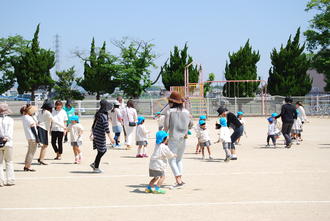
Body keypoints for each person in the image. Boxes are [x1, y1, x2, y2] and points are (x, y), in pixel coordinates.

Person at [164, 91, 192, 186]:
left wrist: (164, 138)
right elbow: (191, 124)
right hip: (183, 138)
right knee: (179, 159)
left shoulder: (169, 112)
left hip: (173, 138)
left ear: (172, 102)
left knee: (171, 159)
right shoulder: (187, 112)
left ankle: (178, 179)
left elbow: (166, 127)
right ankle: (179, 179)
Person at [37, 100, 66, 165]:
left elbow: (37, 119)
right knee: (45, 145)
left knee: (44, 145)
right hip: (43, 129)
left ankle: (40, 158)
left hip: (40, 128)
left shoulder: (41, 111)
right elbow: (54, 121)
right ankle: (41, 159)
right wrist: (63, 127)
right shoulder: (48, 112)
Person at [90, 100, 115, 173]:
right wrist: (111, 138)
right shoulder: (102, 115)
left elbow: (94, 123)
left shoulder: (100, 113)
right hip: (99, 135)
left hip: (97, 133)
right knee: (102, 150)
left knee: (101, 150)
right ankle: (96, 166)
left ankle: (95, 164)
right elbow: (106, 127)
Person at [21, 104, 39, 172]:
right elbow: (32, 128)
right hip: (32, 137)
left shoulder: (24, 117)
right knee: (31, 152)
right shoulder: (28, 117)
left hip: (29, 136)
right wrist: (37, 137)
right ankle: (27, 166)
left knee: (29, 152)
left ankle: (26, 165)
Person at [0, 103, 14, 187]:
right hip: (8, 143)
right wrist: (6, 138)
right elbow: (10, 133)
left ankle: (0, 181)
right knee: (9, 161)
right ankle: (10, 180)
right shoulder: (10, 120)